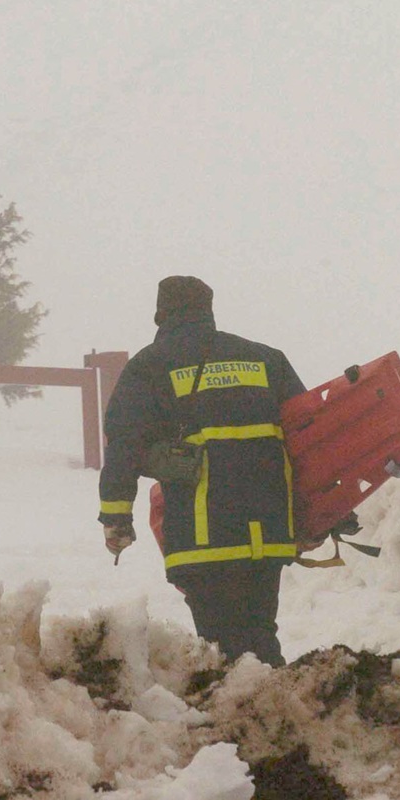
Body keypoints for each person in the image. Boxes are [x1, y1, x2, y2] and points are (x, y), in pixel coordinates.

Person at [96, 276, 306, 666]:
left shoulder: (150, 366)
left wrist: (115, 516)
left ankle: (248, 715)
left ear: (161, 314)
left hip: (203, 534)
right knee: (260, 633)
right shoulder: (266, 359)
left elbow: (124, 445)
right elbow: (309, 436)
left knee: (220, 648)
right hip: (269, 535)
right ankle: (281, 708)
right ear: (208, 310)